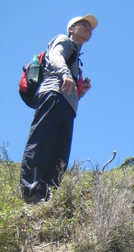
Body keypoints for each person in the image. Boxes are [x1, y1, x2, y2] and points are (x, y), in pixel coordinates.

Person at [20, 14, 98, 203]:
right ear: (71, 29)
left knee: (60, 153)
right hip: (52, 94)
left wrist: (81, 92)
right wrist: (65, 73)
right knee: (41, 141)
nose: (88, 28)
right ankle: (30, 190)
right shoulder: (63, 40)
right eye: (83, 24)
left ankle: (47, 197)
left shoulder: (76, 59)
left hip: (67, 106)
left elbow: (70, 88)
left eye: (90, 27)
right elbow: (54, 56)